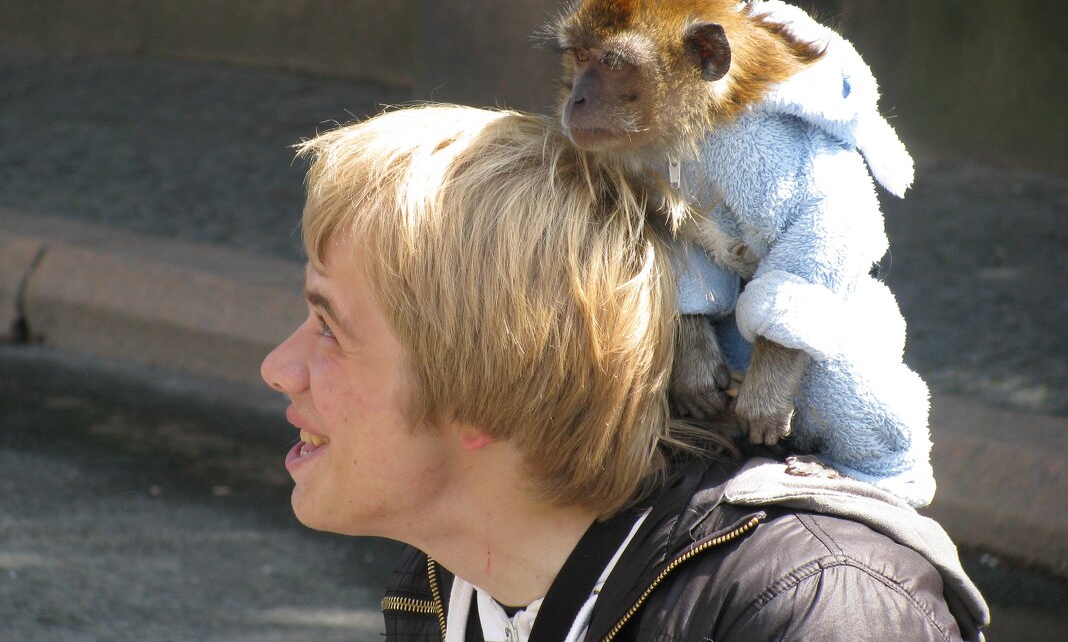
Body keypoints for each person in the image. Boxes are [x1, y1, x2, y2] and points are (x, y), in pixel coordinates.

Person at [261, 104, 989, 642]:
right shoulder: (449, 583)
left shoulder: (816, 609)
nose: (278, 367)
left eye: (330, 326)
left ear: (487, 393)